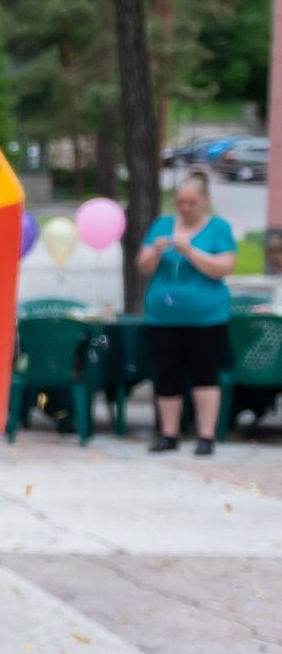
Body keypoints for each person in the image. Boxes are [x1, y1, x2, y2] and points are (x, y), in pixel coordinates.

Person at [137, 172, 237, 455]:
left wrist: (191, 251)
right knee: (167, 372)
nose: (185, 207)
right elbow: (143, 266)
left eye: (192, 202)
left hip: (206, 317)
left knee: (204, 372)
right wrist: (155, 252)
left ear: (205, 201)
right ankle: (169, 433)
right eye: (181, 202)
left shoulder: (218, 228)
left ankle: (206, 435)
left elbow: (224, 267)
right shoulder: (161, 225)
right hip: (162, 317)